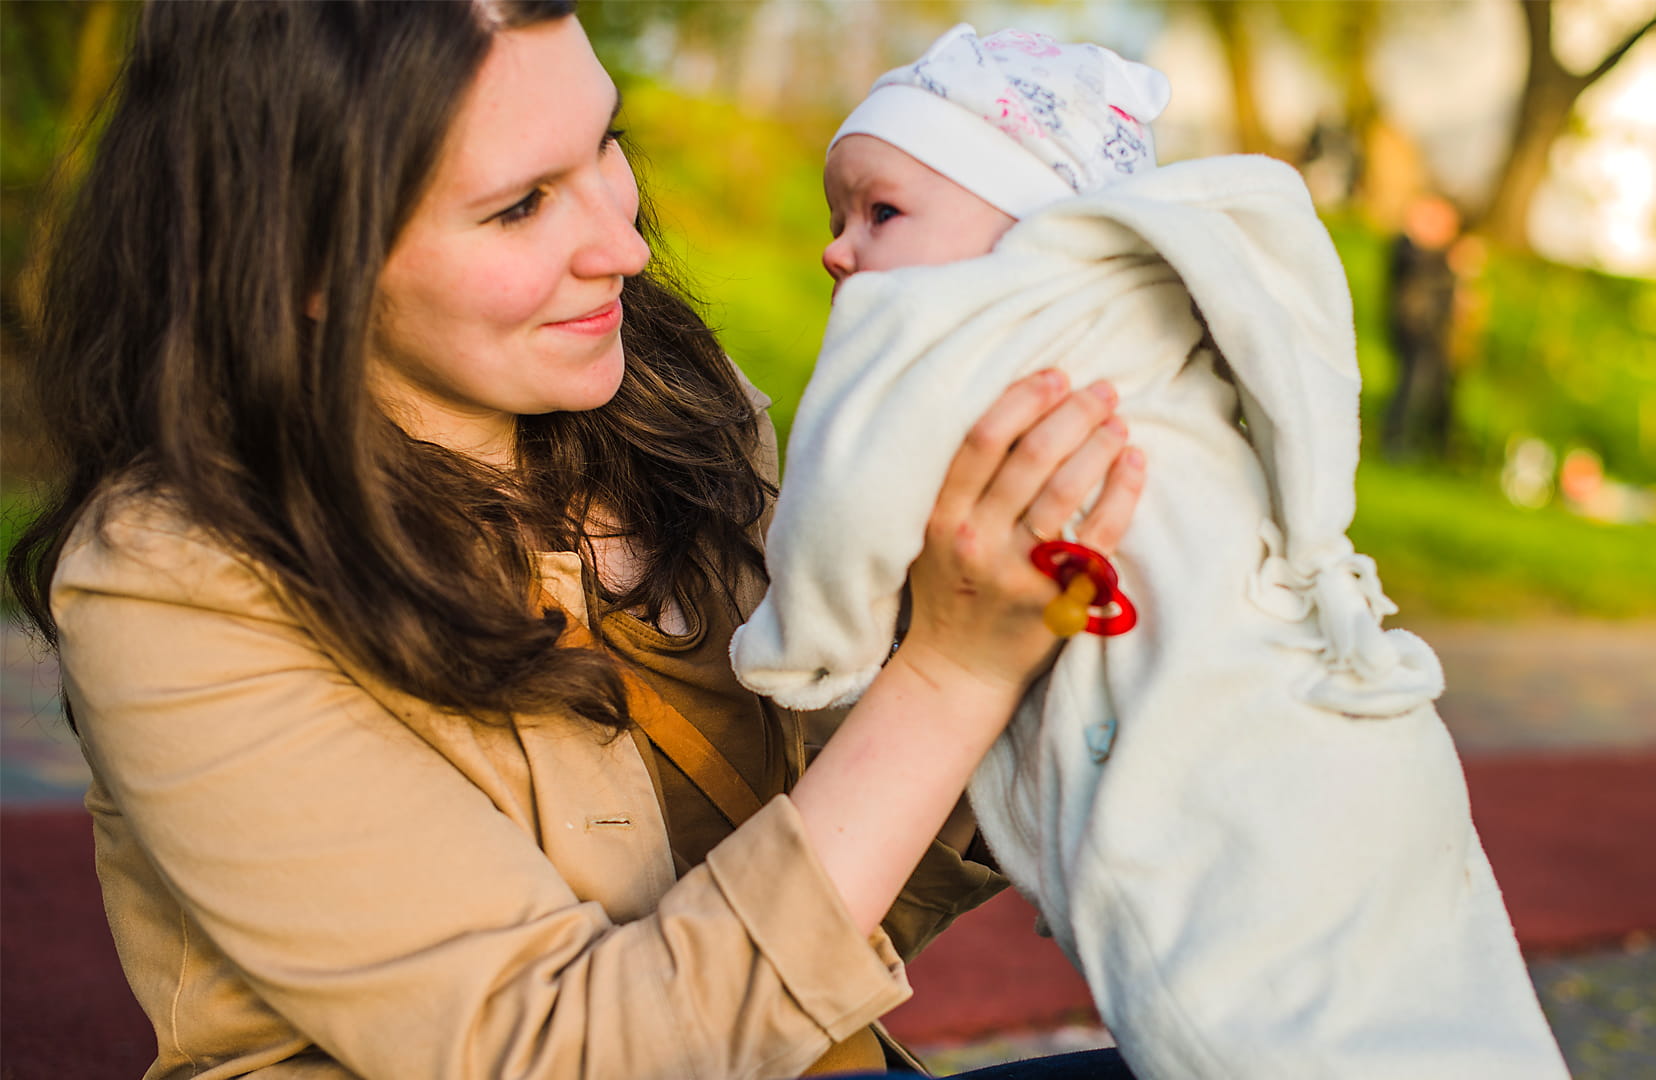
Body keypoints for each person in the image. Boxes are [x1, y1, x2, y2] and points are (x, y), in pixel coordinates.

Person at [4, 3, 1150, 1077]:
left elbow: (839, 890)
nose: (626, 246)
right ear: (301, 259)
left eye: (606, 145)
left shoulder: (660, 401)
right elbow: (570, 1049)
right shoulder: (177, 586)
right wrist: (952, 672)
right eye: (519, 205)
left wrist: (1089, 623)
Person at [731, 25, 1568, 1080]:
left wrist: (811, 642)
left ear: (1033, 219)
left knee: (1219, 1015)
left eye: (881, 210)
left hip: (1180, 722)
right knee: (1409, 978)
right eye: (838, 216)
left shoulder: (935, 325)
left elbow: (847, 485)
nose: (837, 250)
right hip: (1321, 701)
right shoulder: (1174, 313)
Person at [1383, 194, 1460, 460]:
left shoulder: (1439, 256)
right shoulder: (1406, 247)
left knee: (1434, 389)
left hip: (1435, 332)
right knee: (1411, 386)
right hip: (1414, 329)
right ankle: (1396, 440)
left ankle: (1430, 443)